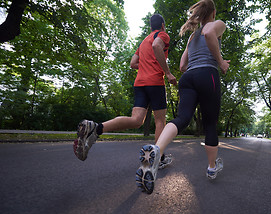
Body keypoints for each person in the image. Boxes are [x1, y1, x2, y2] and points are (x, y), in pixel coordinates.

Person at [136, 0, 230, 194]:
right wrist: (220, 62)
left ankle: (157, 150)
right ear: (212, 13)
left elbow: (182, 66)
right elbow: (210, 33)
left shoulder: (191, 36)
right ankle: (212, 168)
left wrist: (196, 69)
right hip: (208, 74)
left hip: (188, 78)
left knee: (182, 119)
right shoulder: (217, 24)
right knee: (210, 123)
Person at [73, 14, 177, 169]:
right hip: (155, 82)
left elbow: (133, 63)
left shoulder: (142, 43)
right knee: (160, 121)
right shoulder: (162, 35)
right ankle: (159, 157)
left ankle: (97, 127)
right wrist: (167, 73)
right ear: (162, 25)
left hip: (140, 83)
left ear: (150, 27)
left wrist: (146, 65)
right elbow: (157, 46)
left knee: (136, 120)